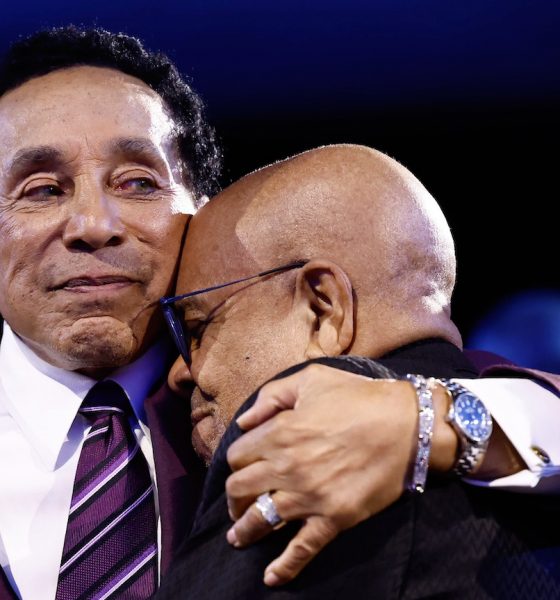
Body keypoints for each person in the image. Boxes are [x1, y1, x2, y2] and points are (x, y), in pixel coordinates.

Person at [0, 24, 559, 600]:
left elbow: (533, 408)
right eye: (42, 190)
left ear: (200, 212)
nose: (95, 225)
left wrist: (426, 421)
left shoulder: (271, 376)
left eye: (138, 182)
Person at [154, 144, 560, 598]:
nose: (178, 372)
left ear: (323, 310)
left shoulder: (306, 452)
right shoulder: (528, 450)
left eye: (197, 327)